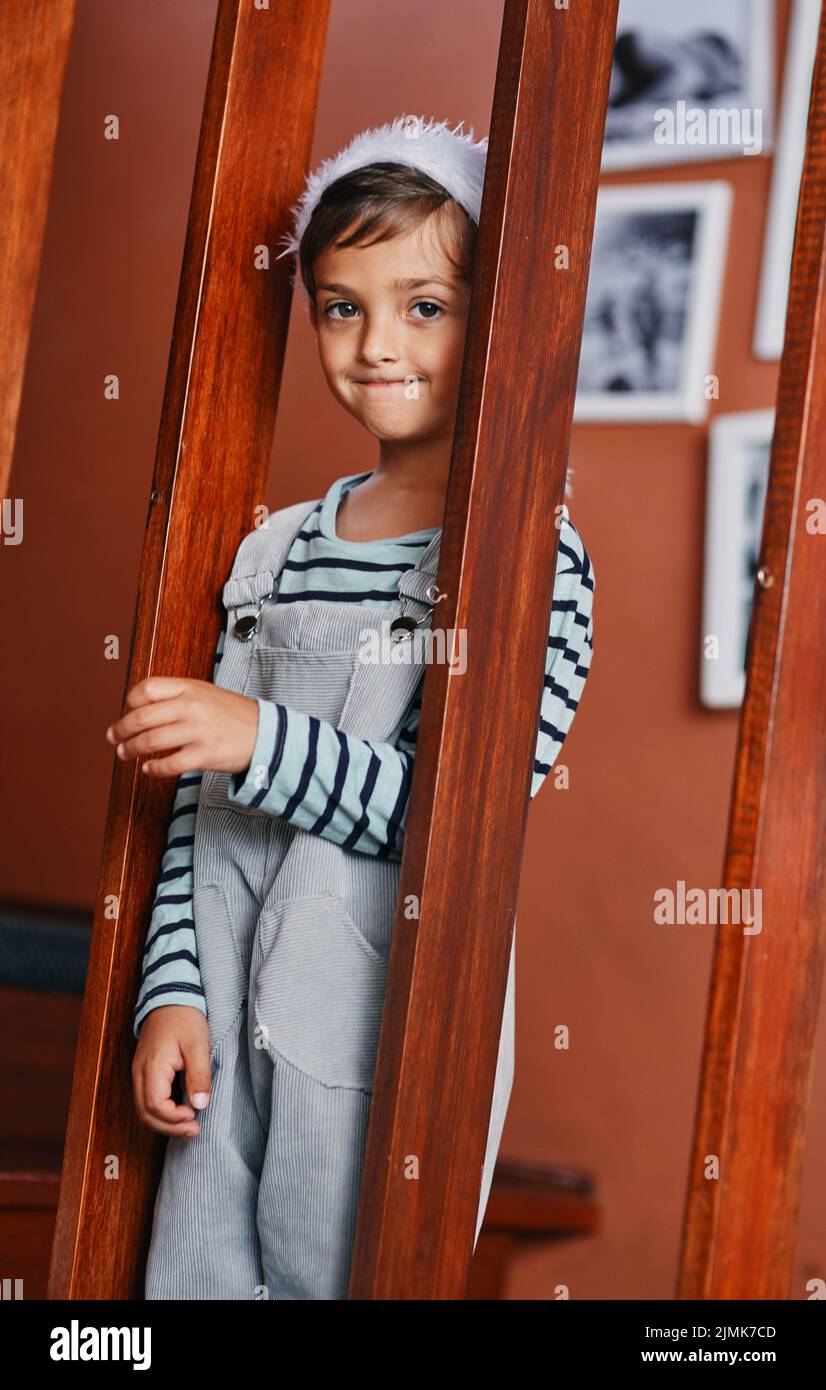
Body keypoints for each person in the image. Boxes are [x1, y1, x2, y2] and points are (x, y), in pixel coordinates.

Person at [109, 114, 596, 1299]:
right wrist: (170, 989)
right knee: (194, 1276)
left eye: (425, 304)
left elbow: (459, 819)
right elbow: (196, 812)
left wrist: (255, 735)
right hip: (225, 998)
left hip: (379, 1015)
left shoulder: (533, 562)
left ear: (498, 320)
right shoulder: (272, 550)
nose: (378, 344)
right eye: (342, 306)